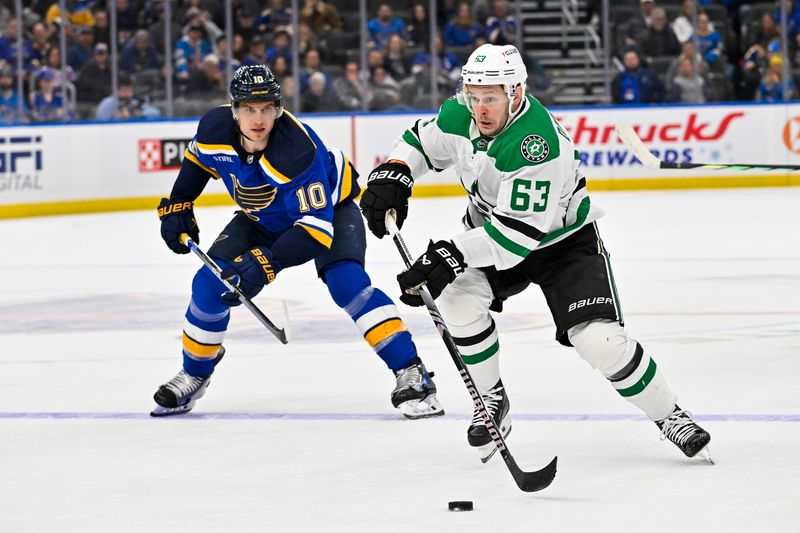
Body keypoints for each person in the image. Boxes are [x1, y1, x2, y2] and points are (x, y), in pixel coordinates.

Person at [359, 43, 712, 463]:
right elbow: (419, 140)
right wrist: (395, 172)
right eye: (473, 96)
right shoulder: (461, 113)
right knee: (456, 297)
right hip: (491, 231)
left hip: (562, 244)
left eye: (490, 97)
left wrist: (449, 254)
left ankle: (669, 415)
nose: (480, 108)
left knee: (599, 342)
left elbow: (515, 238)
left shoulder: (537, 143)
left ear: (517, 93)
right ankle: (491, 400)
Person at [151, 65, 443, 420]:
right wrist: (179, 204)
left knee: (347, 283)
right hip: (261, 217)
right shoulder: (214, 128)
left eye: (266, 109)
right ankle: (195, 374)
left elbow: (315, 233)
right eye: (249, 109)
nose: (258, 119)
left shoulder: (296, 150)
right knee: (208, 285)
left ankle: (411, 372)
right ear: (234, 111)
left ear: (278, 109)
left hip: (330, 213)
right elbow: (198, 162)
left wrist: (267, 262)